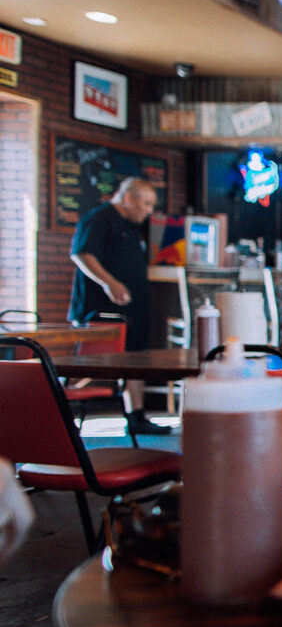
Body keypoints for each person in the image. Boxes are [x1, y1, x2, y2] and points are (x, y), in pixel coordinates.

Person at [68, 176, 170, 435]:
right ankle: (58, 410)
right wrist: (109, 283)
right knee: (86, 363)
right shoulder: (99, 218)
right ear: (127, 198)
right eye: (146, 203)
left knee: (135, 359)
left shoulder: (132, 224)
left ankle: (136, 415)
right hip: (100, 309)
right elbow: (82, 253)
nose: (149, 211)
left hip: (131, 309)